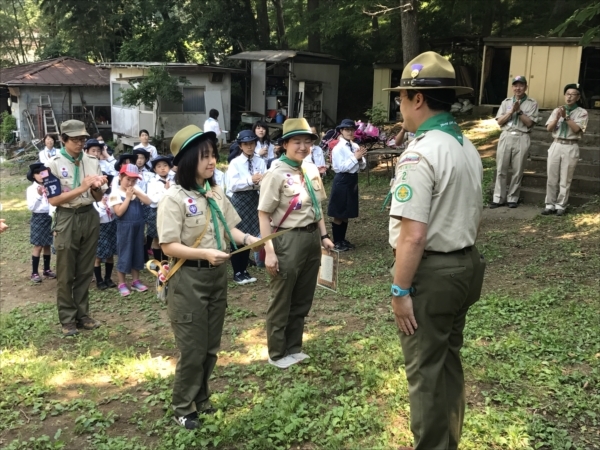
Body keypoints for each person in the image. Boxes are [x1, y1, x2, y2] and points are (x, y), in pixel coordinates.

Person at [384, 51, 486, 450]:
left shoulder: (420, 153)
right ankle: (448, 441)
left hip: (433, 276)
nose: (400, 105)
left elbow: (412, 235)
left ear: (418, 99)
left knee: (425, 374)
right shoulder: (465, 146)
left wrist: (399, 291)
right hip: (466, 266)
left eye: (402, 97)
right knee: (447, 363)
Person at [157, 124, 261, 430]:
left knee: (211, 346)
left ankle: (201, 398)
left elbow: (233, 229)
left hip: (217, 278)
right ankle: (183, 406)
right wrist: (204, 254)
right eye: (204, 156)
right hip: (189, 279)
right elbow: (167, 245)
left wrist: (248, 240)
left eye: (213, 155)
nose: (212, 161)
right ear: (189, 161)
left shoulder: (215, 191)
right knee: (192, 348)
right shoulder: (174, 198)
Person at [258, 118, 335, 369]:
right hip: (287, 239)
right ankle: (277, 353)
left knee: (303, 295)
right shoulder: (275, 173)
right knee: (283, 296)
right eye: (297, 142)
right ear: (285, 144)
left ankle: (294, 347)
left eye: (307, 142)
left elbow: (317, 206)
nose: (303, 147)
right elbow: (263, 214)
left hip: (311, 237)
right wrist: (269, 250)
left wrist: (324, 236)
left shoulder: (310, 169)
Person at [45, 120, 107, 337]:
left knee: (84, 270)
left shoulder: (92, 160)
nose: (80, 143)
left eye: (82, 138)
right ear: (63, 139)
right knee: (65, 271)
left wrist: (97, 188)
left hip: (89, 215)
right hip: (66, 217)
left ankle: (83, 315)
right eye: (75, 139)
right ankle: (67, 319)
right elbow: (54, 200)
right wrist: (82, 187)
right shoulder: (53, 164)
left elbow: (99, 197)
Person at [490, 75, 539, 209]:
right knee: (501, 168)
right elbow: (499, 121)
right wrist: (511, 111)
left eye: (521, 85)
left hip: (522, 136)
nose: (518, 88)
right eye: (515, 85)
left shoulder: (532, 103)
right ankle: (498, 198)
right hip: (506, 135)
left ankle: (513, 198)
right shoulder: (506, 102)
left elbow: (529, 123)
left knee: (518, 169)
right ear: (512, 87)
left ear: (526, 87)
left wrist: (519, 111)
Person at [541, 83, 589, 217]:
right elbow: (549, 128)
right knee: (552, 176)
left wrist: (566, 117)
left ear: (578, 97)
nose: (569, 97)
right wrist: (557, 117)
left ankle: (561, 205)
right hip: (556, 144)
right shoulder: (557, 110)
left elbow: (577, 129)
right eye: (567, 94)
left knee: (565, 177)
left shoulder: (582, 112)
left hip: (570, 145)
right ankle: (549, 204)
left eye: (573, 95)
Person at [226, 130, 266, 284]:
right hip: (240, 200)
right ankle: (237, 272)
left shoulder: (260, 161)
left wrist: (260, 182)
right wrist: (251, 180)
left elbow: (264, 178)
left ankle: (244, 270)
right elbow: (233, 185)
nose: (250, 147)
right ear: (240, 146)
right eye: (246, 144)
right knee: (238, 237)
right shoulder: (235, 163)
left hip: (254, 199)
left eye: (252, 143)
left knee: (249, 234)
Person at [108, 164, 152, 296]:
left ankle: (135, 281)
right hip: (125, 227)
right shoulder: (115, 193)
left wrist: (137, 192)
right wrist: (127, 197)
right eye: (128, 179)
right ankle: (122, 282)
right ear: (120, 177)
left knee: (137, 251)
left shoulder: (136, 190)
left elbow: (149, 202)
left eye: (134, 180)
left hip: (138, 226)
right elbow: (119, 212)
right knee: (125, 252)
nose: (131, 183)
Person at [328, 118, 367, 251]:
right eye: (347, 130)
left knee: (347, 212)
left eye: (352, 130)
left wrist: (360, 159)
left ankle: (342, 239)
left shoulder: (355, 146)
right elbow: (341, 167)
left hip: (352, 180)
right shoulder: (338, 148)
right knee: (339, 212)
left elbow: (362, 166)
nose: (350, 132)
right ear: (341, 131)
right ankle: (337, 241)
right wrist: (355, 158)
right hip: (342, 180)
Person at [26, 162, 56, 283]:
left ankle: (47, 269)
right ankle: (34, 272)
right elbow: (32, 207)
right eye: (37, 173)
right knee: (38, 245)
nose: (40, 175)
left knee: (48, 244)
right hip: (38, 217)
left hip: (50, 216)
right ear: (33, 175)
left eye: (43, 172)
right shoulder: (31, 189)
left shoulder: (50, 185)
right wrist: (39, 195)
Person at [146, 155, 173, 262]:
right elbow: (153, 199)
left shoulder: (174, 179)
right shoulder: (152, 182)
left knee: (167, 238)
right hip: (156, 212)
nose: (162, 168)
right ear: (154, 169)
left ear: (169, 167)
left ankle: (166, 262)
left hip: (170, 211)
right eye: (159, 166)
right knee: (157, 239)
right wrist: (166, 191)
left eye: (165, 165)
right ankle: (158, 263)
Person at [93, 174, 117, 290]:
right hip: (100, 227)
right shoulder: (93, 198)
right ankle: (99, 280)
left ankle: (108, 278)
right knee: (98, 255)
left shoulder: (111, 195)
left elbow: (114, 211)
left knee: (110, 253)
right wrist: (102, 205)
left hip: (111, 225)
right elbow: (97, 216)